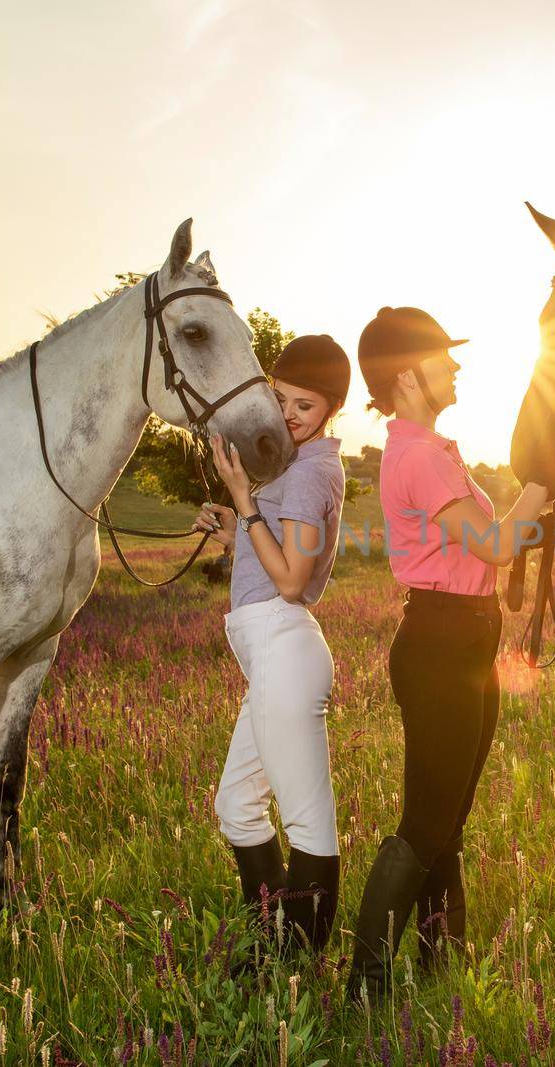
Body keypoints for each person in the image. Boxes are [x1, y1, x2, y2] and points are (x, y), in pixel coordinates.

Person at [346, 306, 555, 999]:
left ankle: (440, 969)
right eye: (443, 356)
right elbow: (494, 544)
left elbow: (493, 544)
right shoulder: (418, 457)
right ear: (407, 375)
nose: (456, 365)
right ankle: (368, 982)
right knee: (429, 819)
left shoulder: (428, 452)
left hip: (464, 638)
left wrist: (535, 505)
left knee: (450, 815)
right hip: (440, 644)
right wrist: (540, 483)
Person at [194, 334, 350, 956]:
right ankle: (272, 946)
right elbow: (270, 551)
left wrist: (241, 497)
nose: (288, 414)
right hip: (267, 654)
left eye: (304, 406)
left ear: (331, 410)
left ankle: (297, 974)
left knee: (309, 825)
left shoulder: (314, 471)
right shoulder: (292, 462)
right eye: (279, 398)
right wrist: (235, 526)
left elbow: (290, 579)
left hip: (286, 648)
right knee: (236, 805)